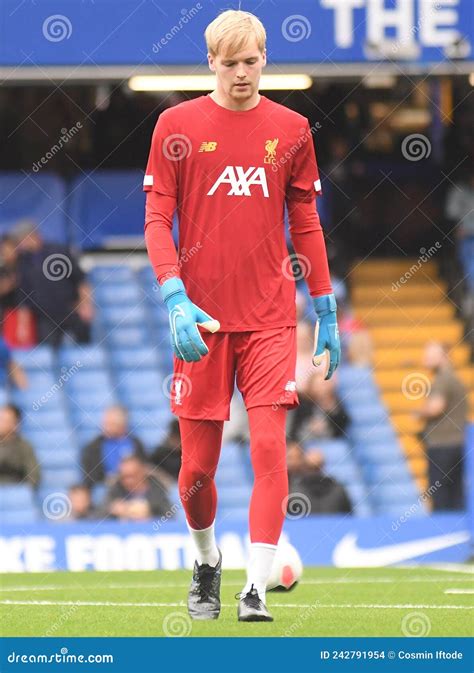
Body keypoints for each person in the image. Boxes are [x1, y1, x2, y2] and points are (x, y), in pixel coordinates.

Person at [143, 10, 340, 622]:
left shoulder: (293, 128)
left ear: (264, 58)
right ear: (210, 63)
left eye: (250, 61)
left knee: (268, 450)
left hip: (271, 319)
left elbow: (305, 223)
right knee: (196, 472)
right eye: (228, 64)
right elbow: (156, 221)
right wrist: (174, 295)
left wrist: (325, 308)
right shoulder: (176, 125)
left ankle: (254, 589)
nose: (240, 74)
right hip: (200, 320)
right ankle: (207, 560)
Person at [13, 220, 93, 347]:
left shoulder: (58, 252)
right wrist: (23, 325)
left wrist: (86, 305)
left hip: (71, 310)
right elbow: (23, 296)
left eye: (23, 239)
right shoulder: (24, 262)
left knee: (84, 347)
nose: (21, 244)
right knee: (48, 353)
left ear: (33, 235)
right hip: (45, 318)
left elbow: (80, 280)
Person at [417, 342, 468, 511]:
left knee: (440, 495)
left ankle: (444, 531)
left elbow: (436, 407)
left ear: (442, 357)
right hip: (457, 443)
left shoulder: (443, 378)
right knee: (455, 494)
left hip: (442, 445)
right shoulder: (453, 377)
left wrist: (419, 412)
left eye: (429, 355)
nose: (425, 359)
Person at [81, 405, 147, 487]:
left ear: (123, 425)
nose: (106, 427)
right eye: (105, 423)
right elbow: (90, 477)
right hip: (106, 486)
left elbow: (144, 466)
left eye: (111, 424)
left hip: (133, 485)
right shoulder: (93, 448)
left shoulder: (136, 444)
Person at [287, 442, 352, 514]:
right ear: (323, 465)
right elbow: (348, 516)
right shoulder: (339, 489)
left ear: (304, 466)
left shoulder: (293, 490)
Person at [103, 455, 171, 521]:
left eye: (132, 476)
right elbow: (97, 517)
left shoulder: (157, 490)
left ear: (142, 473)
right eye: (124, 477)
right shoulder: (115, 490)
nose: (128, 481)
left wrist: (149, 513)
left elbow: (169, 518)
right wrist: (112, 509)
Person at [0, 404, 40, 487]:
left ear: (15, 424)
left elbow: (34, 476)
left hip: (16, 492)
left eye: (5, 420)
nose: (1, 423)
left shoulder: (24, 446)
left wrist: (22, 492)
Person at [150, 417, 182, 483]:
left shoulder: (188, 454)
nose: (176, 442)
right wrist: (163, 478)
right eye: (174, 438)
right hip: (164, 486)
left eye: (178, 439)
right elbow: (149, 467)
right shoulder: (161, 451)